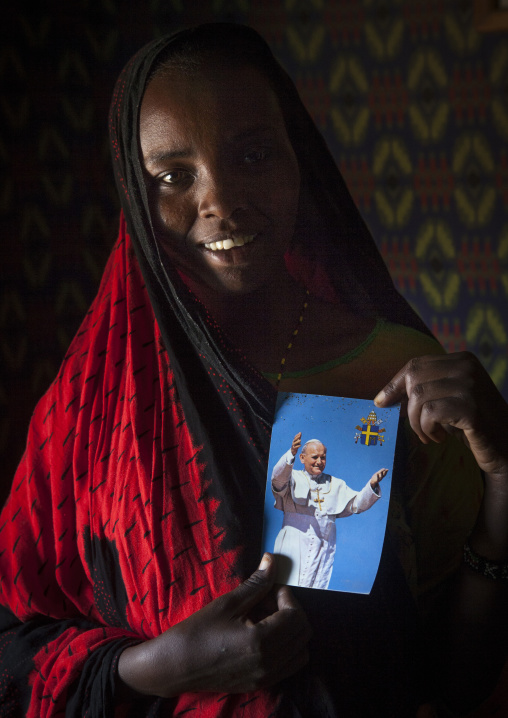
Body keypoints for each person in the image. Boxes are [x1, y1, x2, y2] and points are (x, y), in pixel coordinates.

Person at [0, 22, 506, 717]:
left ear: (301, 159)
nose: (221, 200)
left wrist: (505, 480)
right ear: (132, 197)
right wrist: (153, 667)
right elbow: (13, 640)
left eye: (254, 154)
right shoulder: (89, 404)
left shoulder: (396, 371)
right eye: (174, 176)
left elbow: (454, 679)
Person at [271, 432, 386, 588]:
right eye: (314, 457)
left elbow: (356, 504)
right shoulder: (293, 477)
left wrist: (371, 485)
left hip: (323, 545)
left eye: (323, 457)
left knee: (316, 587)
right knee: (286, 584)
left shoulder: (336, 484)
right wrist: (290, 454)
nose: (319, 461)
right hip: (294, 542)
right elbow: (278, 480)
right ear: (302, 458)